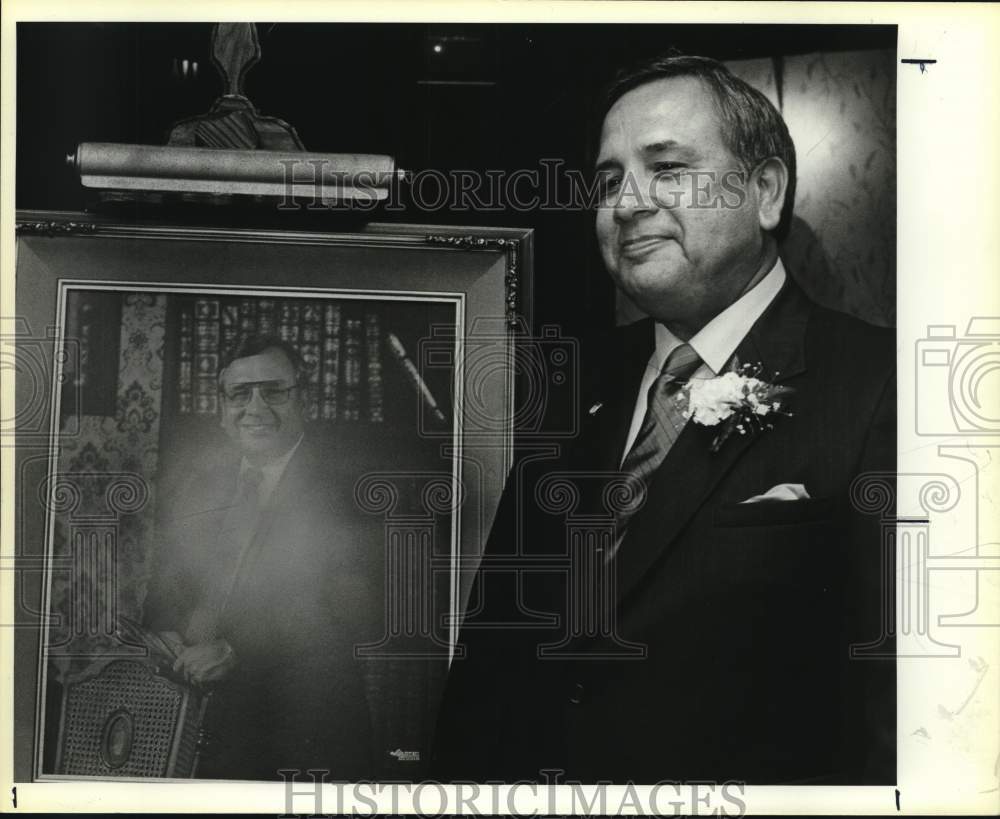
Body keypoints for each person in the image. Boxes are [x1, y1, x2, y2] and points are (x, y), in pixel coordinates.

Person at [431, 54, 895, 785]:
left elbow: (896, 715)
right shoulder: (568, 382)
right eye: (609, 180)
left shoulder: (880, 386)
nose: (626, 203)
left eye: (667, 168)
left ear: (765, 191)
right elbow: (491, 661)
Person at [143, 334, 381, 781]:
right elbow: (166, 586)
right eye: (239, 393)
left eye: (273, 391)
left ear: (303, 400)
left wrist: (237, 649)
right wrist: (169, 632)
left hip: (302, 724)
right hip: (201, 719)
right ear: (222, 408)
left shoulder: (348, 486)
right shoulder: (198, 486)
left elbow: (350, 605)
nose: (255, 408)